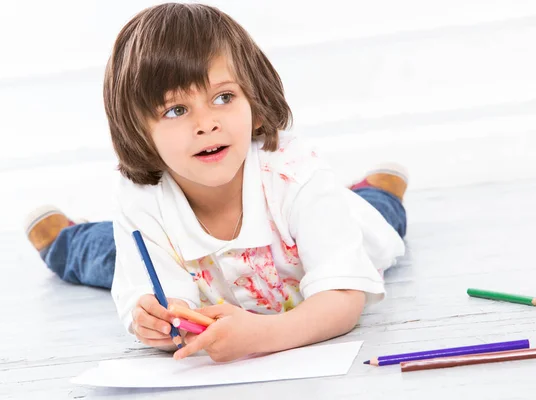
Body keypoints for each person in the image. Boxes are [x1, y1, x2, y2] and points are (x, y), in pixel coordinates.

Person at [24, 3, 408, 362]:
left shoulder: (298, 178)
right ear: (140, 134)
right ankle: (65, 242)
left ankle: (378, 189)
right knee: (108, 257)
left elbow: (342, 299)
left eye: (223, 97)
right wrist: (160, 322)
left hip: (345, 224)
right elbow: (164, 305)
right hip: (199, 267)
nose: (206, 123)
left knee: (379, 215)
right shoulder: (142, 198)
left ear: (256, 107)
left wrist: (263, 335)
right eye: (176, 109)